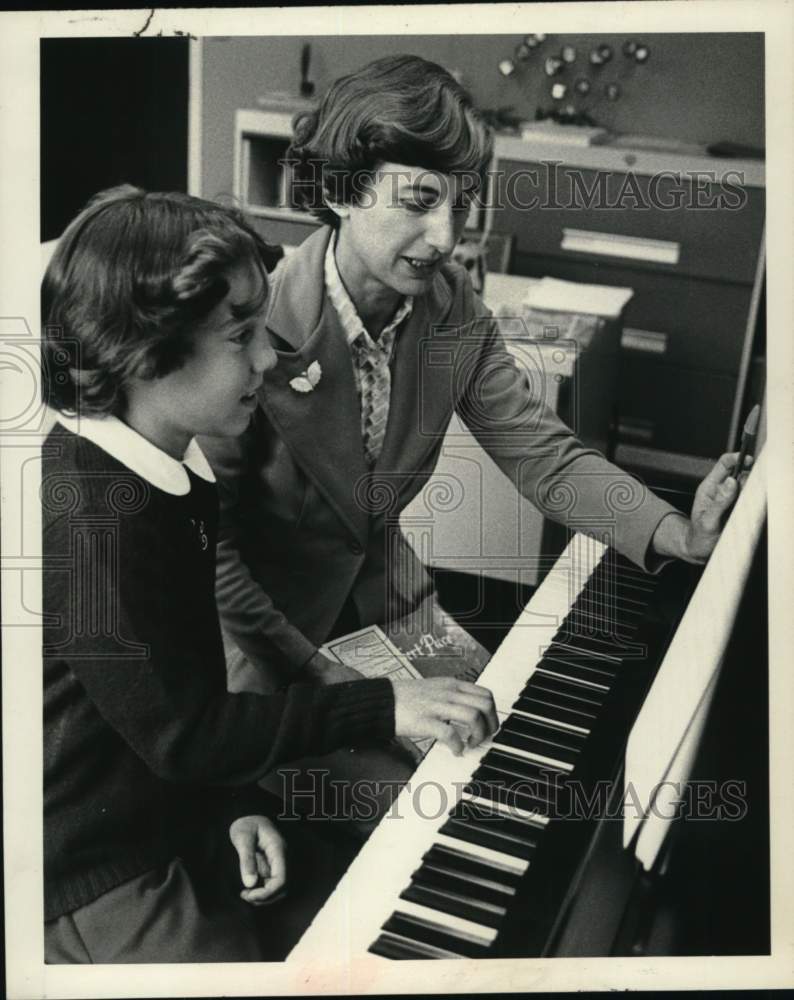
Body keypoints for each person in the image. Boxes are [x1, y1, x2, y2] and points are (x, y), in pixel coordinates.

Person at [41, 185, 498, 963]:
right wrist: (381, 706)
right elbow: (185, 734)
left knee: (337, 918)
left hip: (172, 805)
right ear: (145, 353)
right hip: (91, 866)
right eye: (241, 336)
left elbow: (186, 701)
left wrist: (234, 805)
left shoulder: (175, 465)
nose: (269, 357)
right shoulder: (94, 520)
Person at [201, 53, 744, 708]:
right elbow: (212, 555)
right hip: (266, 647)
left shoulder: (452, 309)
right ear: (343, 191)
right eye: (422, 203)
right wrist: (334, 685)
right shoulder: (255, 330)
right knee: (379, 793)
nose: (445, 238)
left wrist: (676, 532)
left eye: (461, 208)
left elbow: (546, 458)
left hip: (390, 606)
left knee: (491, 739)